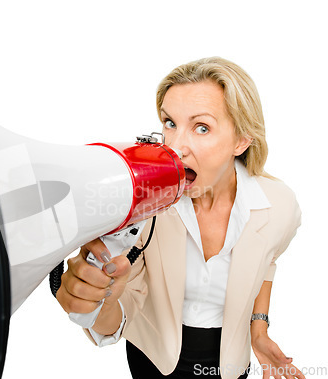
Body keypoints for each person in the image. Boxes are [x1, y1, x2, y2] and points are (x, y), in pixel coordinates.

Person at [56, 57, 304, 379]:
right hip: (153, 361)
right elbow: (122, 312)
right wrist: (91, 305)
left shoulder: (280, 206)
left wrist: (259, 329)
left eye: (202, 127)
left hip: (231, 365)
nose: (175, 148)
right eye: (169, 123)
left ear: (241, 141)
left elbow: (269, 258)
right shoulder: (144, 207)